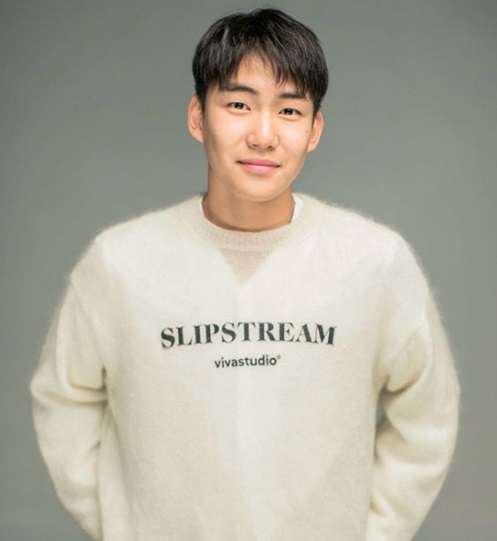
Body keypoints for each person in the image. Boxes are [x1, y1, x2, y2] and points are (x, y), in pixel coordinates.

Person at [30, 8, 459, 541]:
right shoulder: (119, 263)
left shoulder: (374, 262)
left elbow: (427, 416)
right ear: (197, 117)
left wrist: (372, 532)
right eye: (238, 104)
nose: (263, 134)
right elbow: (64, 401)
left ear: (314, 130)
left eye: (289, 110)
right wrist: (125, 524)